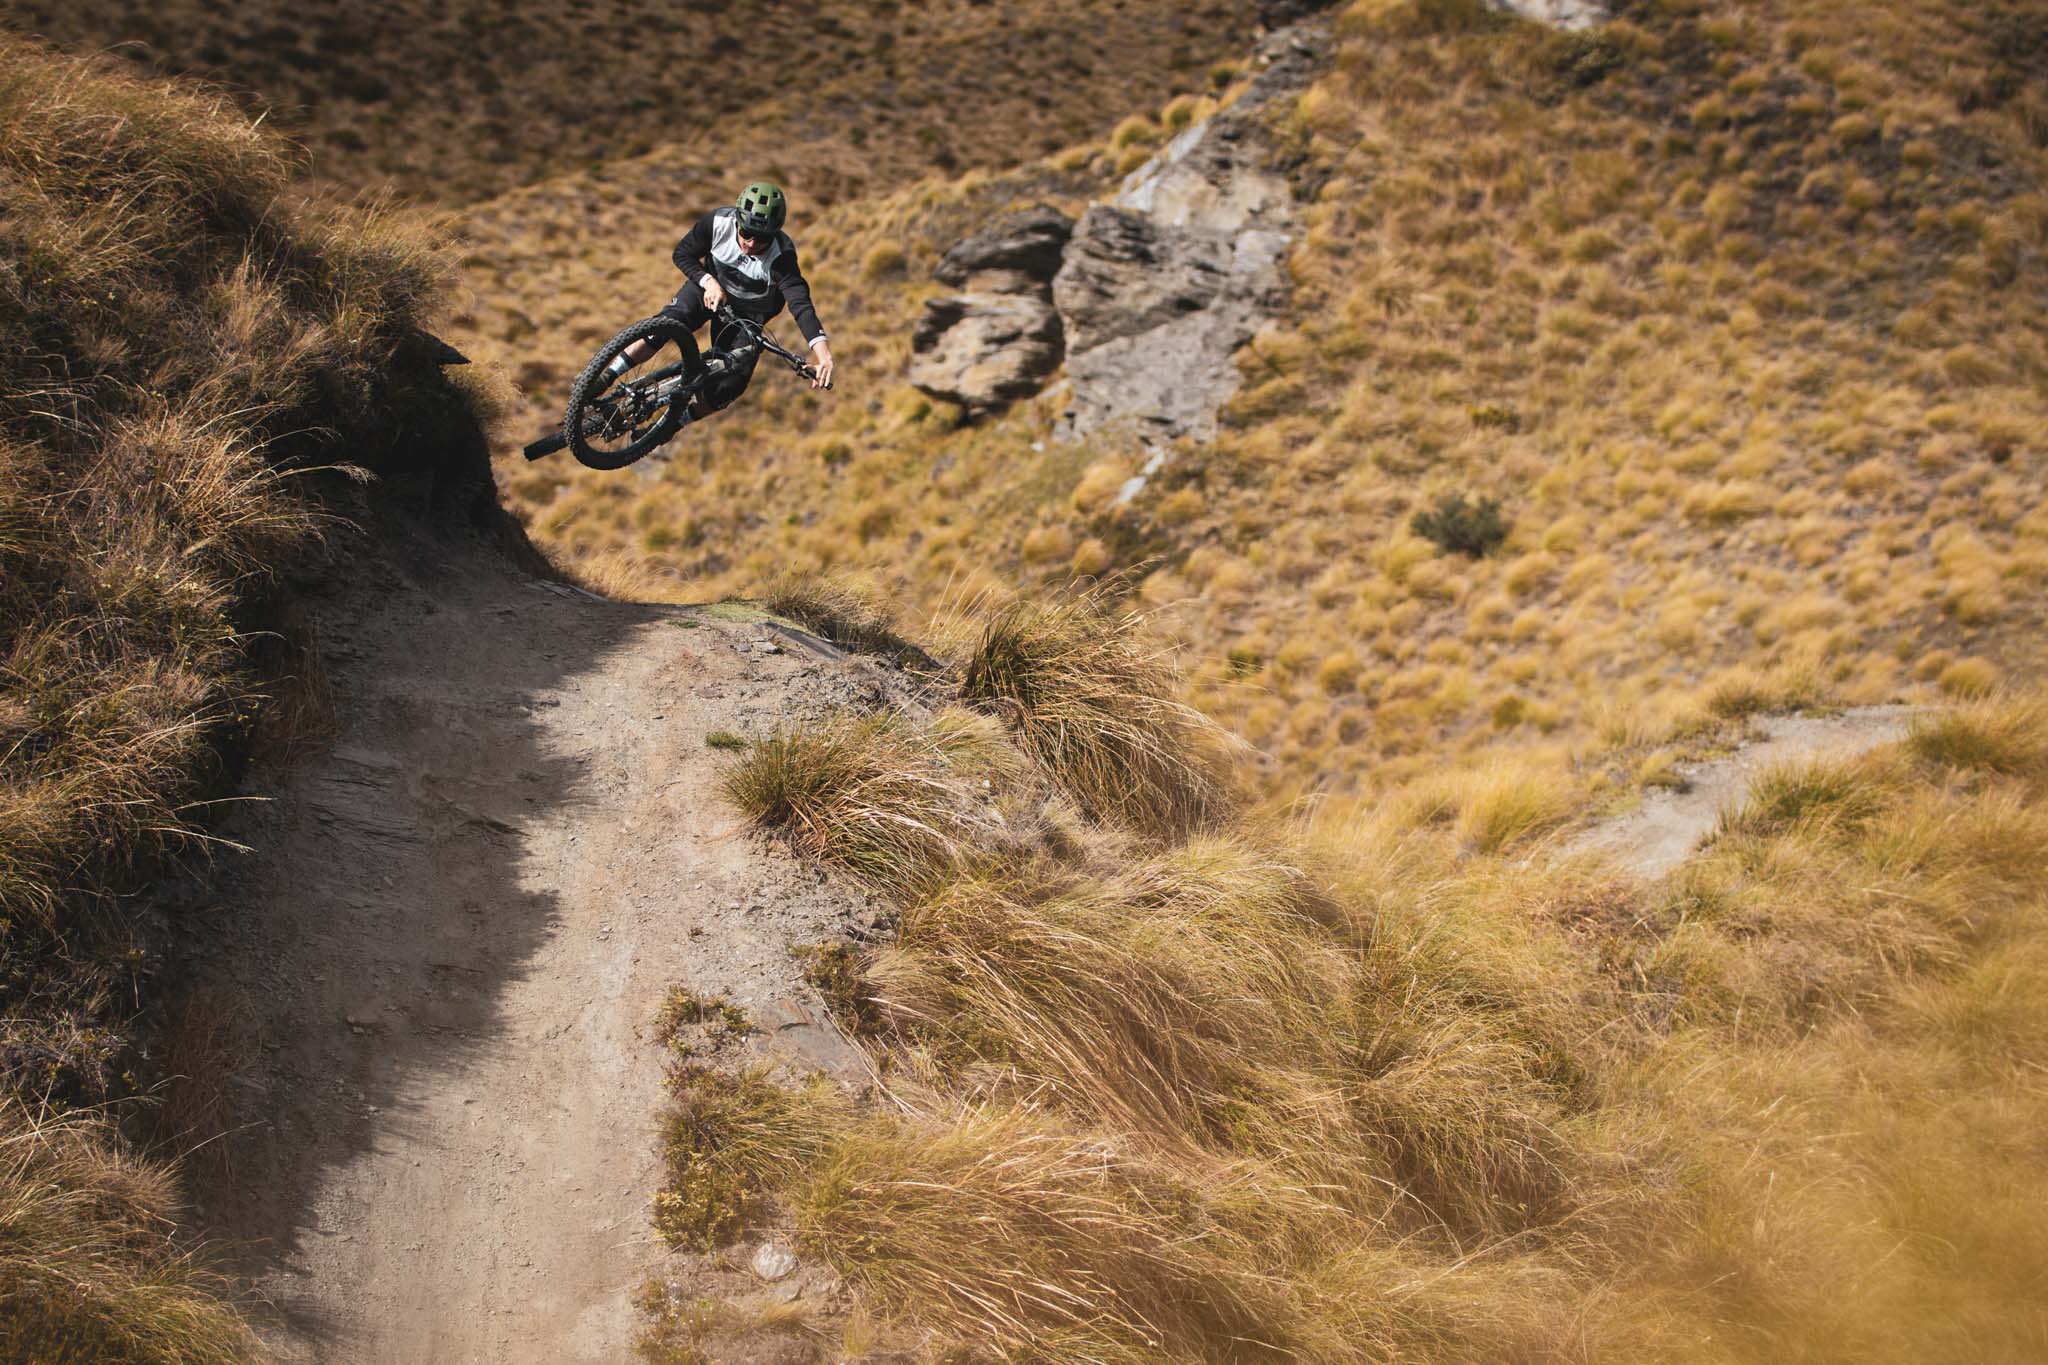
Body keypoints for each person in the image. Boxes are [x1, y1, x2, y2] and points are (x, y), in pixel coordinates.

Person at [599, 180, 835, 422]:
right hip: (708, 288)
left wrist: (824, 357)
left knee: (731, 384)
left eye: (762, 238)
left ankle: (674, 424)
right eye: (746, 233)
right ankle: (607, 376)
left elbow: (801, 306)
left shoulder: (782, 259)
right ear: (737, 222)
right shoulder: (717, 223)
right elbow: (682, 253)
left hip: (747, 315)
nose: (751, 244)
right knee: (664, 325)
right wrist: (709, 282)